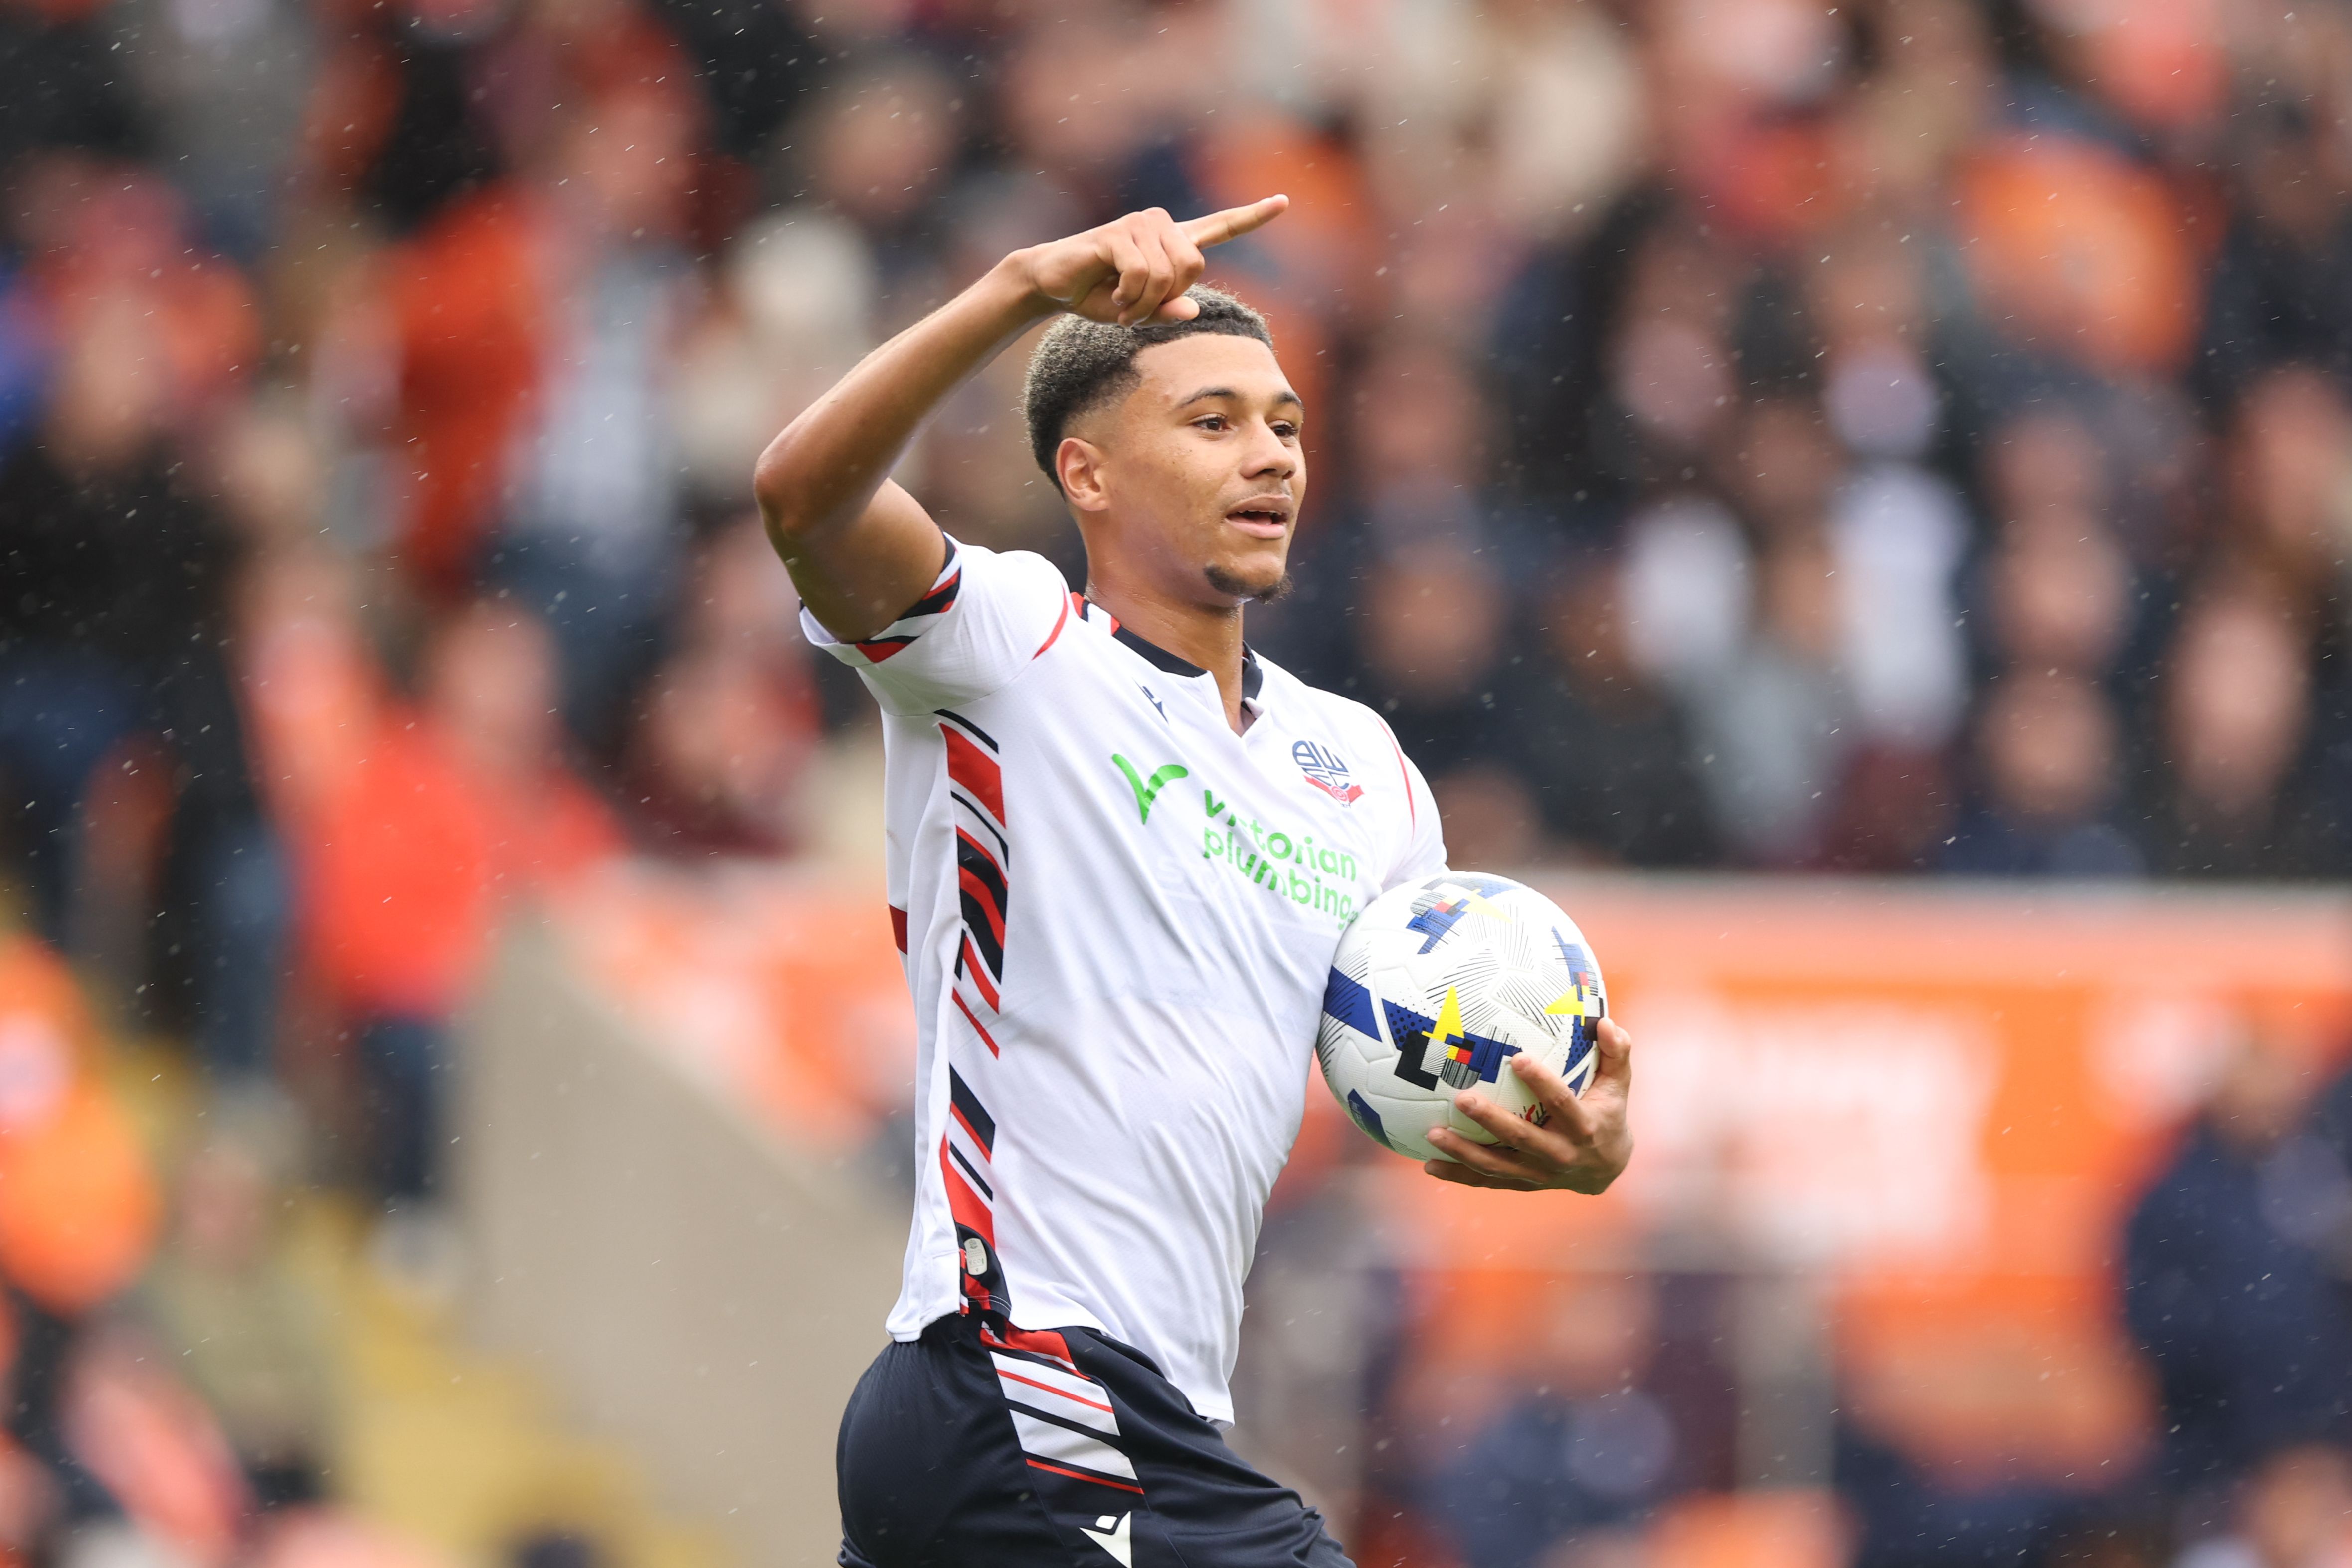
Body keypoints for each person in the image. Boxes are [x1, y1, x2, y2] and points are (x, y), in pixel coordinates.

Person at [752, 199, 1637, 1568]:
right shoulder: (1010, 650)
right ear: (1088, 473)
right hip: (1011, 1372)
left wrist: (1572, 1142)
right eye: (1213, 421)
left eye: (1283, 422)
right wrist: (1016, 288)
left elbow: (1423, 1037)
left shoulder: (1367, 771)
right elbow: (802, 495)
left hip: (1139, 1416)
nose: (1271, 453)